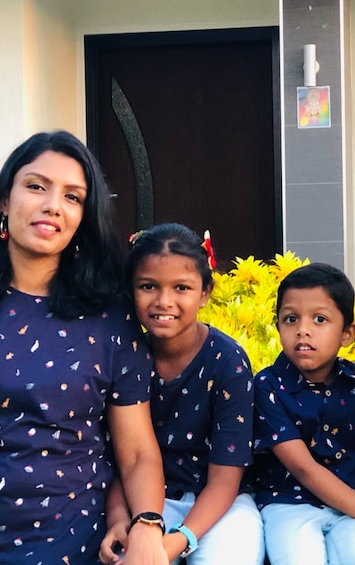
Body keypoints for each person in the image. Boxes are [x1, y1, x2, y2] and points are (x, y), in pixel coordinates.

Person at [0, 131, 168, 565]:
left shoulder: (111, 317)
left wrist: (147, 525)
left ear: (83, 218)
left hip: (74, 550)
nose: (53, 205)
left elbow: (136, 453)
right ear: (4, 199)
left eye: (73, 197)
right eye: (36, 186)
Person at [99, 223, 264, 565]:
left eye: (181, 288)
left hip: (219, 504)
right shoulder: (126, 357)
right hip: (143, 500)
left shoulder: (227, 362)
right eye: (148, 286)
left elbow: (226, 477)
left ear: (205, 292)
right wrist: (118, 519)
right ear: (130, 290)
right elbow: (120, 460)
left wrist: (176, 543)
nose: (164, 301)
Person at [253, 263, 355, 565]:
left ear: (346, 333)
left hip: (349, 512)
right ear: (278, 327)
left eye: (319, 319)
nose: (303, 329)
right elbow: (304, 469)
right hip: (288, 506)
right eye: (291, 319)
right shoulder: (268, 386)